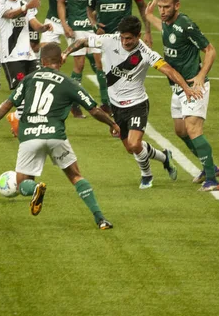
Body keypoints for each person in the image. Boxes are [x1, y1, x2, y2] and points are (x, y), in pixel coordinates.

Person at [0, 43, 119, 230]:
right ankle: (100, 219)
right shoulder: (69, 82)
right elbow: (94, 110)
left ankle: (35, 189)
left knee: (22, 184)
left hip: (29, 137)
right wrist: (113, 124)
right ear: (61, 60)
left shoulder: (29, 79)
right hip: (55, 136)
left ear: (41, 61)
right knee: (75, 176)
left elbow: (7, 104)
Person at [61, 15, 202, 189]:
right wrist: (65, 53)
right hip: (116, 106)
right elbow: (83, 41)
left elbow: (169, 71)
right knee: (130, 148)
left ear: (138, 35)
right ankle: (165, 157)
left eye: (129, 38)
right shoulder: (109, 40)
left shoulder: (146, 53)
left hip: (137, 104)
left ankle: (147, 176)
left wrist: (187, 89)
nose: (125, 42)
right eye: (122, 37)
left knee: (135, 144)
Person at [145, 0, 219, 192]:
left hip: (193, 86)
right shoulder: (169, 23)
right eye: (160, 7)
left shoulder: (185, 24)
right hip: (178, 87)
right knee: (180, 131)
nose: (162, 11)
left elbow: (210, 50)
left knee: (194, 129)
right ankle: (209, 167)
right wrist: (149, 16)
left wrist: (201, 76)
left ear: (177, 6)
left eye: (166, 7)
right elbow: (163, 27)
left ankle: (212, 180)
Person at [0, 0, 52, 136]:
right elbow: (11, 15)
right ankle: (22, 123)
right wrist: (27, 7)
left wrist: (44, 27)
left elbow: (35, 25)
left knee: (38, 88)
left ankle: (17, 118)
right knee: (21, 93)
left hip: (29, 56)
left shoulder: (24, 2)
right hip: (12, 57)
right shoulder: (1, 4)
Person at [57, 0, 110, 119]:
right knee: (79, 65)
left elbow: (100, 2)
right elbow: (61, 2)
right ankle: (74, 104)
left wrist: (99, 23)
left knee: (100, 63)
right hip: (75, 27)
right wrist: (64, 25)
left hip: (92, 27)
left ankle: (106, 104)